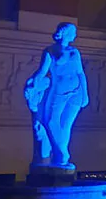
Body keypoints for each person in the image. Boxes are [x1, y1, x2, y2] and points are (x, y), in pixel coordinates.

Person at [24, 23, 90, 169]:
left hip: (76, 92)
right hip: (58, 92)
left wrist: (85, 94)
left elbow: (80, 73)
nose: (75, 35)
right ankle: (61, 152)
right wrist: (33, 82)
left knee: (66, 125)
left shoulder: (74, 52)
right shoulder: (49, 51)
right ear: (65, 33)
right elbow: (42, 72)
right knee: (50, 122)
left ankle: (61, 157)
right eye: (73, 32)